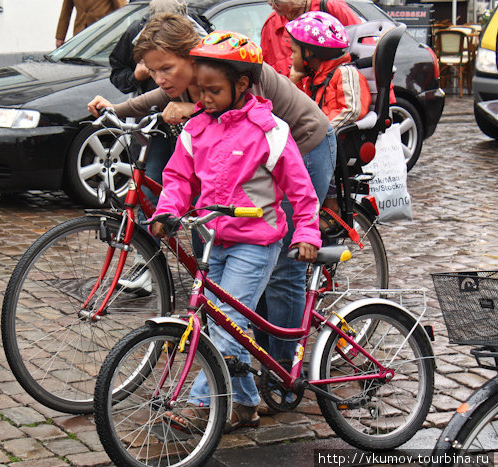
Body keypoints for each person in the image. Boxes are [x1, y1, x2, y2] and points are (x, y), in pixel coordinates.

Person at [88, 13, 335, 373]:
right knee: (236, 273)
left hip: (302, 142)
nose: (160, 78)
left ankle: (281, 364)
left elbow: (251, 116)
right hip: (252, 154)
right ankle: (242, 356)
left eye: (166, 68)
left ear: (193, 56)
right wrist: (116, 110)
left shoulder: (233, 68)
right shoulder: (198, 84)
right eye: (153, 70)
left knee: (282, 263)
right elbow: (155, 101)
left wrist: (195, 108)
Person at [149, 31, 321, 432]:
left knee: (227, 318)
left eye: (214, 91)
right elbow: (177, 177)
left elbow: (300, 189)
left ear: (242, 85)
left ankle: (201, 402)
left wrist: (308, 233)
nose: (204, 99)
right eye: (200, 90)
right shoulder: (196, 129)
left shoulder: (269, 130)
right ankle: (244, 405)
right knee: (220, 322)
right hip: (215, 241)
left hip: (257, 243)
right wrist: (167, 210)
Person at [287, 11, 371, 233]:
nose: (291, 58)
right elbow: (300, 108)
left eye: (294, 51)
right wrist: (293, 82)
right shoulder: (315, 77)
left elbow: (352, 109)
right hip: (321, 136)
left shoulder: (343, 72)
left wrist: (320, 131)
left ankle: (331, 208)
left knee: (320, 155)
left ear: (310, 52)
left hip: (338, 139)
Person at [109, 0, 203, 95]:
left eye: (166, 68)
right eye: (151, 70)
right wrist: (135, 76)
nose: (159, 80)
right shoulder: (138, 33)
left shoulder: (198, 30)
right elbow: (118, 74)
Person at [260, 0, 361, 77]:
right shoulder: (271, 25)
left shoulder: (331, 7)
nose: (272, 5)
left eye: (276, 1)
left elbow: (364, 48)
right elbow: (265, 78)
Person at [55, 0, 126, 48]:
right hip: (80, 36)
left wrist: (126, 35)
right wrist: (60, 37)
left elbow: (123, 9)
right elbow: (66, 12)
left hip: (104, 34)